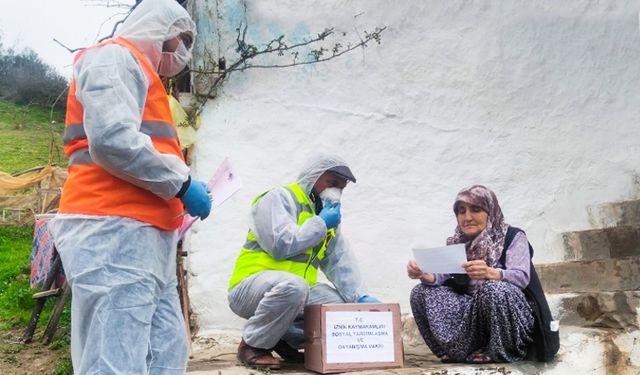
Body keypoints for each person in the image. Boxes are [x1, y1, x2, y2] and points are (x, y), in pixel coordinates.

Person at [48, 0, 211, 373]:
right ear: (156, 28)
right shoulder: (114, 60)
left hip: (140, 236)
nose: (182, 51)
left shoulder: (143, 77)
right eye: (178, 39)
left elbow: (141, 149)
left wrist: (179, 196)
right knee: (114, 358)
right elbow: (112, 140)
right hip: (111, 230)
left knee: (164, 351)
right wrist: (182, 184)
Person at [227, 153, 380, 369]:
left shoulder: (326, 215)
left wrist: (360, 297)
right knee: (294, 286)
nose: (335, 191)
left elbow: (339, 260)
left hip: (296, 293)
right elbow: (280, 245)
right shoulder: (279, 198)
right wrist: (320, 224)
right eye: (331, 183)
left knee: (339, 309)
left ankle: (283, 339)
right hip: (250, 289)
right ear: (314, 175)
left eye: (341, 187)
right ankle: (252, 345)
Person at [407, 185, 534, 364]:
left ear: (490, 210)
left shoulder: (512, 236)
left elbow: (522, 277)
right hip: (471, 316)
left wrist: (491, 273)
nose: (467, 217)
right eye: (461, 211)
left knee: (494, 290)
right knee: (420, 292)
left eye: (476, 209)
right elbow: (444, 276)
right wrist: (424, 274)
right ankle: (456, 351)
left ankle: (499, 351)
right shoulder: (457, 242)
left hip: (508, 316)